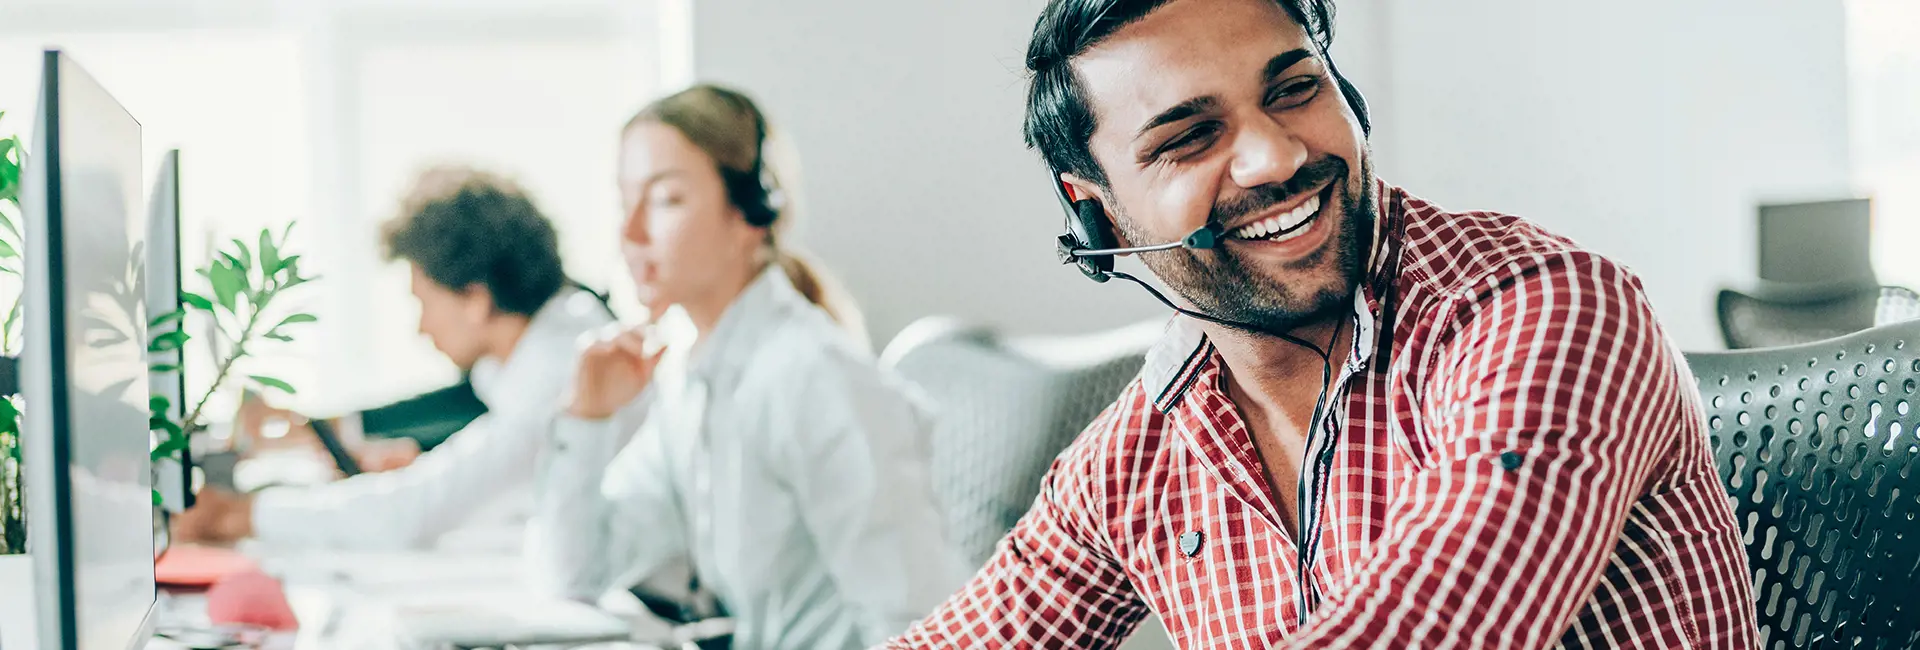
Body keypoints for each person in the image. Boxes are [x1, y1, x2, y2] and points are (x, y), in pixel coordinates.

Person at [888, 0, 1756, 647]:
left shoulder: (1547, 312)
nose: (1277, 156)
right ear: (1098, 218)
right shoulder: (1139, 453)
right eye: (1190, 138)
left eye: (1296, 89)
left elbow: (1429, 627)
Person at [526, 84, 962, 649]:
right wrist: (585, 419)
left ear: (752, 214)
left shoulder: (813, 378)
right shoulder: (694, 381)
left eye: (665, 199)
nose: (629, 233)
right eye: (623, 200)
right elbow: (574, 575)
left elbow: (917, 623)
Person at [171, 167, 615, 550]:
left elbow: (411, 514)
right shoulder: (551, 338)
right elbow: (476, 433)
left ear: (474, 299)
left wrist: (241, 515)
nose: (422, 326)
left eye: (423, 301)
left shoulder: (562, 367)